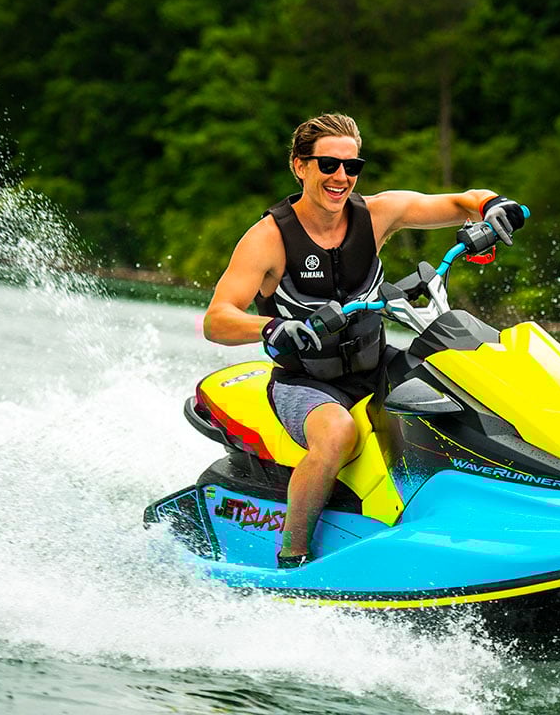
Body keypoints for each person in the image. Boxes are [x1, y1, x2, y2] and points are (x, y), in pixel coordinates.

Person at [202, 113, 524, 568]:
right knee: (336, 435)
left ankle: (495, 517)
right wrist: (272, 328)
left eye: (352, 167)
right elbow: (218, 320)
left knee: (471, 388)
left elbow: (464, 201)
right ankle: (292, 555)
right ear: (300, 166)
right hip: (306, 382)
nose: (341, 178)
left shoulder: (377, 215)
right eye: (328, 165)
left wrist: (495, 206)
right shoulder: (268, 239)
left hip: (377, 366)